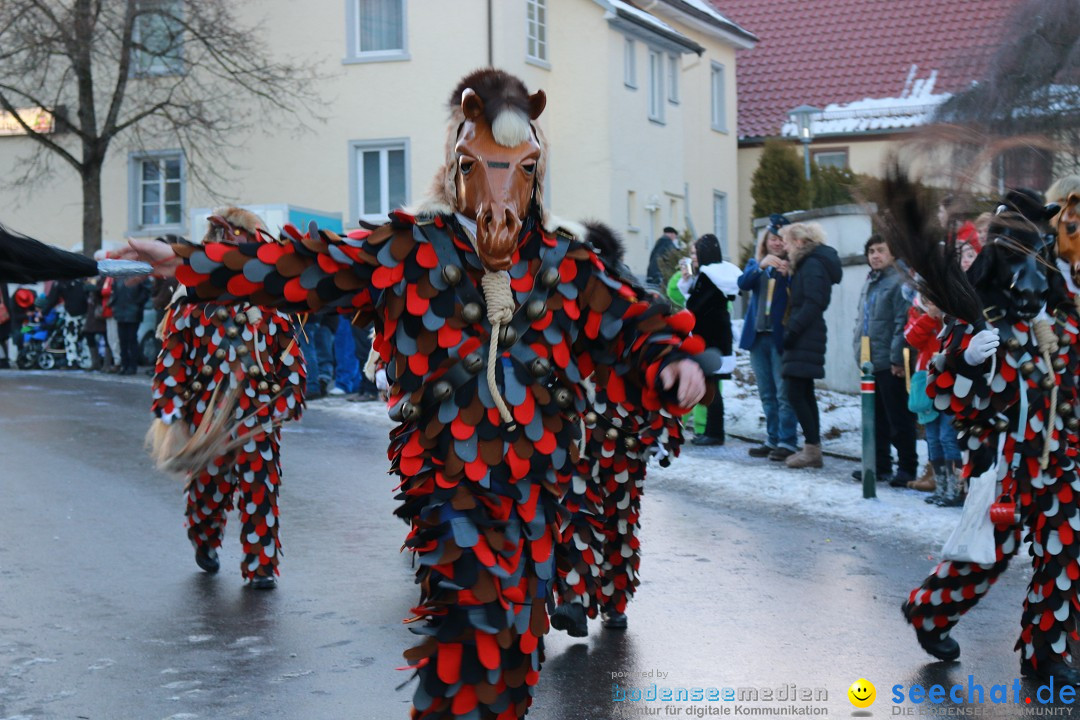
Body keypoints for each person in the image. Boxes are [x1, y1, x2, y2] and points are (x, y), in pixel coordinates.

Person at [130, 69, 711, 719]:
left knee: (511, 663)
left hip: (536, 497)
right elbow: (309, 267)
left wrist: (672, 360)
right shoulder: (413, 250)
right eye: (486, 166)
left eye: (518, 168)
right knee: (470, 648)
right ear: (458, 165)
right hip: (455, 489)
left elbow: (634, 317)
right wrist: (192, 263)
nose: (501, 192)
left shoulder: (564, 263)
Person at [891, 180, 1079, 683]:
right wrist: (965, 360)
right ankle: (931, 613)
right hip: (1001, 460)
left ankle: (1049, 652)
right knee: (988, 555)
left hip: (1059, 455)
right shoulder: (975, 315)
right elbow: (937, 390)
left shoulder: (1061, 313)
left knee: (1064, 548)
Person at [146, 208, 306, 589]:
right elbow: (172, 362)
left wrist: (289, 395)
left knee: (260, 490)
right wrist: (169, 406)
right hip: (206, 420)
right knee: (208, 490)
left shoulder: (273, 304)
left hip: (257, 418)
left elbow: (291, 359)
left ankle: (260, 565)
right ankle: (204, 538)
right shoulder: (190, 304)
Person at [852, 235, 917, 487]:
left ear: (892, 254)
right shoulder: (872, 281)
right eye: (870, 251)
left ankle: (907, 467)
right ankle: (879, 465)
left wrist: (898, 357)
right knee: (874, 417)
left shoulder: (899, 281)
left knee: (898, 418)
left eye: (880, 250)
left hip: (891, 362)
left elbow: (902, 322)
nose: (875, 256)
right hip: (870, 360)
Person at [779, 222, 841, 469]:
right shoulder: (807, 264)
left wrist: (792, 330)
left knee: (796, 392)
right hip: (806, 334)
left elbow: (815, 301)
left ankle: (812, 449)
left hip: (806, 335)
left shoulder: (813, 264)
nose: (784, 247)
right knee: (802, 392)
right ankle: (812, 449)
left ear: (800, 242)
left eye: (786, 242)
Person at [737, 214, 798, 461]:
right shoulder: (756, 264)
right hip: (757, 336)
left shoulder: (793, 265)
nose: (777, 244)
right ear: (766, 241)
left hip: (779, 337)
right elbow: (742, 283)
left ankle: (787, 441)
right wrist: (761, 265)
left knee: (783, 393)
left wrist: (789, 274)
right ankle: (772, 439)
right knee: (766, 392)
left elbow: (798, 296)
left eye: (781, 239)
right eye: (773, 238)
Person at [903, 294, 961, 502]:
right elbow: (911, 339)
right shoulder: (917, 313)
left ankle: (955, 489)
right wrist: (929, 317)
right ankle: (941, 487)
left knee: (948, 435)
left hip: (950, 381)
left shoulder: (956, 315)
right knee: (933, 438)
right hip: (926, 382)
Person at [680, 233, 737, 446]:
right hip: (717, 335)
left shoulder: (708, 275)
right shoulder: (717, 274)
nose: (693, 257)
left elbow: (694, 305)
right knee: (711, 384)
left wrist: (689, 284)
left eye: (696, 253)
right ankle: (714, 431)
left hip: (710, 337)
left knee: (711, 386)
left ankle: (715, 433)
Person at [42, 278, 89, 369]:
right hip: (84, 313)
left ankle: (72, 361)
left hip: (72, 314)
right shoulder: (81, 280)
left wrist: (44, 312)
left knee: (70, 337)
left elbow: (52, 299)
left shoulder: (61, 282)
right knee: (85, 338)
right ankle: (86, 360)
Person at [110, 274, 150, 375]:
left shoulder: (139, 275)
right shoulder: (120, 276)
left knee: (131, 340)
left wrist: (137, 303)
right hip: (122, 311)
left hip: (132, 311)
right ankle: (125, 365)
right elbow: (115, 292)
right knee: (123, 340)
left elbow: (147, 291)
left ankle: (132, 366)